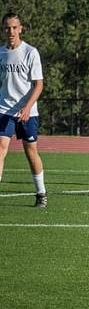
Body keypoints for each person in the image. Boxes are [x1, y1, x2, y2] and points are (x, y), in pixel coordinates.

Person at [0, 13, 47, 207]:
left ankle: (41, 192)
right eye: (6, 28)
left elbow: (39, 85)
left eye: (13, 27)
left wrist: (27, 108)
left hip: (27, 111)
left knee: (31, 153)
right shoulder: (1, 53)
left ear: (20, 29)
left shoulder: (30, 52)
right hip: (4, 109)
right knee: (1, 149)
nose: (10, 31)